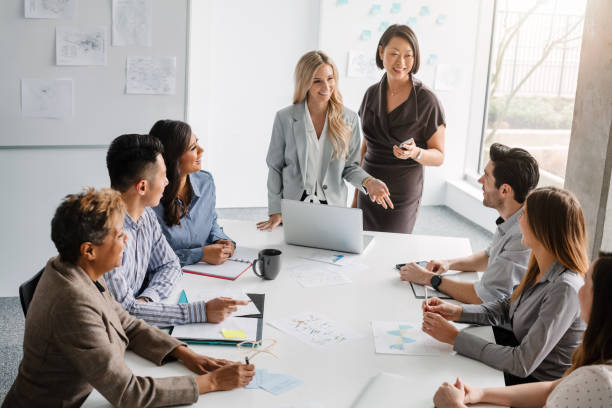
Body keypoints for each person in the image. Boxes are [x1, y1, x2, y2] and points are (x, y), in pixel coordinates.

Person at [1, 188, 254, 408]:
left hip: (88, 391)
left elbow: (126, 321)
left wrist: (184, 353)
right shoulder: (72, 302)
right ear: (89, 250)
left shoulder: (77, 267)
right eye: (119, 235)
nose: (127, 239)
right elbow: (129, 393)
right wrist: (213, 382)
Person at [422, 187, 588, 384]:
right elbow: (506, 306)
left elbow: (522, 363)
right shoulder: (539, 265)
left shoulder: (566, 289)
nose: (518, 220)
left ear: (543, 228)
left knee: (443, 376)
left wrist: (454, 338)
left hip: (535, 384)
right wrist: (457, 312)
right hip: (517, 353)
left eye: (525, 214)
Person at [432, 252, 612, 408]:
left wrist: (453, 405)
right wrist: (481, 394)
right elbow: (550, 389)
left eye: (586, 280)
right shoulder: (596, 362)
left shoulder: (597, 380)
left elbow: (525, 367)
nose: (579, 286)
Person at [105, 134, 246, 326]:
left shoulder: (146, 216)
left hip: (139, 320)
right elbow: (124, 312)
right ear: (142, 187)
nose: (167, 182)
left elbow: (170, 264)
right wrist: (201, 311)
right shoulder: (106, 236)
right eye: (163, 176)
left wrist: (148, 299)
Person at [257, 50, 392, 231]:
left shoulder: (349, 119)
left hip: (332, 208)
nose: (326, 86)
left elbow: (350, 167)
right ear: (305, 82)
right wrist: (275, 210)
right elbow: (275, 166)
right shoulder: (285, 118)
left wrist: (369, 182)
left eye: (330, 78)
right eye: (317, 81)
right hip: (295, 207)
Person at [399, 143, 539, 304]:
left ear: (505, 190)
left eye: (486, 177)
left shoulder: (522, 235)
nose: (480, 180)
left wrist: (428, 278)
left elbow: (483, 297)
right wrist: (448, 263)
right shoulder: (513, 218)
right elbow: (489, 256)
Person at [353, 24, 445, 233]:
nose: (401, 62)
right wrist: (357, 192)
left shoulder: (427, 100)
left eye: (408, 56)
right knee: (358, 248)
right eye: (394, 53)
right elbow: (365, 148)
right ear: (381, 52)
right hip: (369, 185)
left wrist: (416, 153)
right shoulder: (370, 94)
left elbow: (439, 156)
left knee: (390, 252)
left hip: (401, 193)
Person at [150, 119, 235, 267]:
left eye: (198, 143)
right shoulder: (150, 199)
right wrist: (200, 255)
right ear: (173, 157)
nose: (202, 150)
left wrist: (220, 240)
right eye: (193, 147)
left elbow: (211, 221)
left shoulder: (205, 181)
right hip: (169, 279)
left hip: (209, 274)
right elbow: (151, 259)